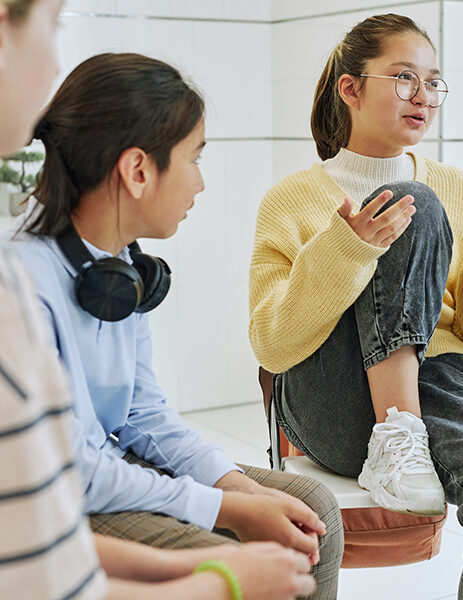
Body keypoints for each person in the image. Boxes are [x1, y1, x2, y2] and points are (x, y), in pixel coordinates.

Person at [0, 1, 324, 598]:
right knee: (233, 548)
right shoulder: (25, 276)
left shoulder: (121, 268)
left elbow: (144, 416)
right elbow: (74, 470)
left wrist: (238, 487)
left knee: (308, 501)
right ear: (138, 171)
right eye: (195, 158)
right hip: (77, 488)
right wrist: (222, 509)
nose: (201, 182)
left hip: (110, 467)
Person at [249, 13, 463, 599]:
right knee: (411, 202)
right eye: (403, 79)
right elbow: (271, 343)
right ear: (350, 88)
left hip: (437, 381)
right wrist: (348, 249)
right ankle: (398, 435)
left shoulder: (459, 187)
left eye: (433, 82)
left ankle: (407, 433)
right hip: (333, 397)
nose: (423, 97)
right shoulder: (289, 200)